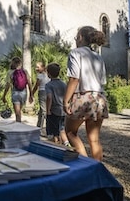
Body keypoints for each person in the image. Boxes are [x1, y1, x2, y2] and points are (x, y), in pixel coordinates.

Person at [63, 26, 108, 162]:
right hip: (99, 97)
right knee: (94, 139)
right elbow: (103, 81)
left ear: (81, 37)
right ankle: (98, 170)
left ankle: (85, 166)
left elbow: (74, 78)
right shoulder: (98, 57)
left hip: (84, 97)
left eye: (77, 36)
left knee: (70, 132)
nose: (76, 39)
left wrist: (66, 100)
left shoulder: (76, 53)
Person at [45, 63, 70, 147]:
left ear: (48, 74)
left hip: (54, 111)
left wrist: (48, 110)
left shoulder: (49, 85)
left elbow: (49, 97)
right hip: (63, 110)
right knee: (62, 129)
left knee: (54, 132)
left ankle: (55, 147)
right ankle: (66, 144)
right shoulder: (63, 84)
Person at [2, 56, 33, 122]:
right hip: (24, 92)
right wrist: (31, 94)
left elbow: (7, 85)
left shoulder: (10, 72)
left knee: (17, 113)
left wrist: (4, 96)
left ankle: (19, 127)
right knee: (19, 111)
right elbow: (29, 83)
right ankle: (19, 124)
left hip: (15, 92)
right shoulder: (25, 71)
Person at [32, 61, 50, 132]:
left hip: (42, 92)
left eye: (38, 67)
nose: (36, 69)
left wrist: (32, 93)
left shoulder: (39, 76)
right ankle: (39, 125)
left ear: (42, 67)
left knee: (43, 111)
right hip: (48, 92)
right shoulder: (48, 75)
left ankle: (43, 128)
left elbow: (37, 85)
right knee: (42, 110)